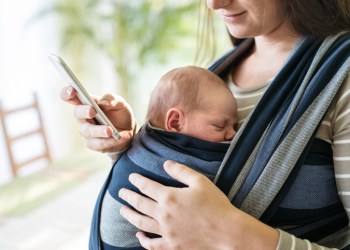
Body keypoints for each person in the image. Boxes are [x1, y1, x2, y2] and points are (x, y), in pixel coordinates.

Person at [60, 0, 350, 249]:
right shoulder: (218, 71)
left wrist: (232, 234)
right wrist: (133, 145)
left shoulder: (341, 77)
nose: (213, 4)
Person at [96, 66, 237, 249]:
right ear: (175, 122)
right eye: (219, 125)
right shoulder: (168, 154)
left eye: (236, 126)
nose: (233, 134)